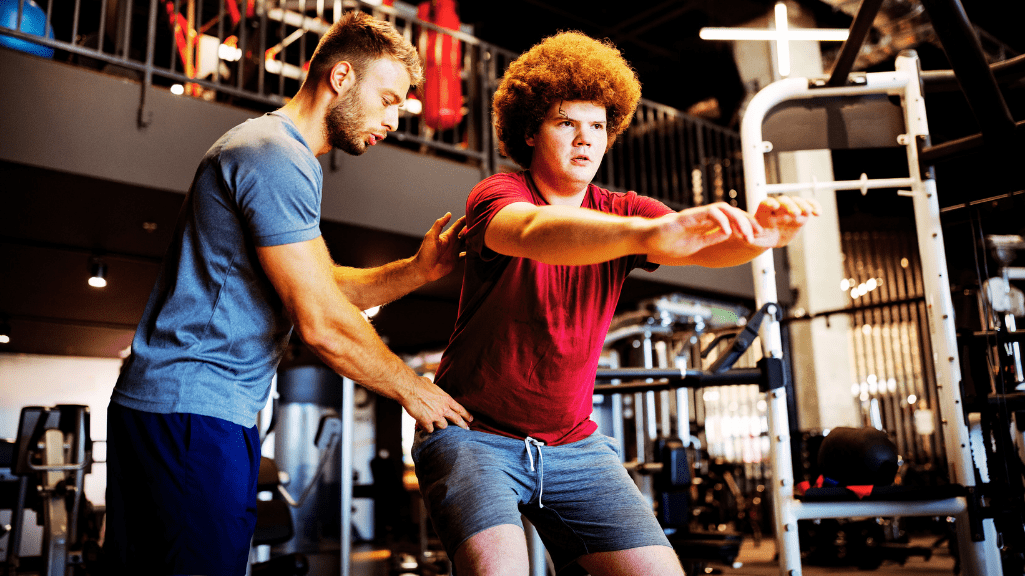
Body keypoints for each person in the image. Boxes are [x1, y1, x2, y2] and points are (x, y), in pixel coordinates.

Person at [412, 31, 820, 576]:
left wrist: (764, 235)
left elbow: (709, 247)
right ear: (531, 131)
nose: (585, 140)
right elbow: (532, 230)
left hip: (575, 444)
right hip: (473, 436)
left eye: (598, 127)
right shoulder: (500, 195)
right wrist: (643, 237)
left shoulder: (625, 211)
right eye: (566, 123)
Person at [104, 11, 472, 575]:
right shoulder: (274, 154)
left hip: (191, 410)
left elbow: (325, 284)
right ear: (342, 77)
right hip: (193, 413)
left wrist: (417, 272)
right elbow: (320, 321)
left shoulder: (278, 151)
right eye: (390, 99)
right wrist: (414, 390)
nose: (395, 120)